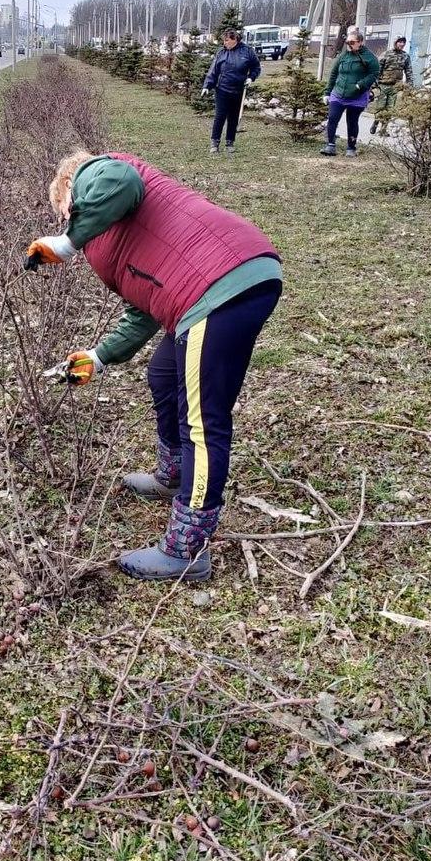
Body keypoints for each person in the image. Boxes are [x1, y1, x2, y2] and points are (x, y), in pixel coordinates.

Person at [25, 151, 282, 582]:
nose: (70, 221)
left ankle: (188, 548)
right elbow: (144, 310)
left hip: (219, 285)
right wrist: (98, 358)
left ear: (70, 193)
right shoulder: (116, 231)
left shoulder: (100, 173)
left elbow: (121, 179)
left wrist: (66, 241)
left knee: (203, 424)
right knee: (163, 373)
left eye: (65, 211)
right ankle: (173, 474)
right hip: (211, 289)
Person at [320, 27, 380, 157]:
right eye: (347, 42)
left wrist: (360, 85)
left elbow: (374, 73)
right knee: (332, 119)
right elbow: (334, 74)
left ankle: (351, 148)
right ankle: (330, 145)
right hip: (338, 93)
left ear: (360, 42)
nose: (349, 45)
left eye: (352, 42)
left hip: (357, 96)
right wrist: (327, 92)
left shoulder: (369, 57)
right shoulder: (344, 56)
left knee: (352, 122)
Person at [201, 29, 261, 155]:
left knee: (233, 118)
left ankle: (230, 142)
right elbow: (214, 70)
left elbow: (256, 67)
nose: (225, 43)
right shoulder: (221, 53)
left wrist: (251, 78)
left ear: (235, 40)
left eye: (227, 40)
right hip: (222, 89)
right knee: (220, 116)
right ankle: (215, 143)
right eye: (224, 40)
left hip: (239, 89)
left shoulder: (247, 51)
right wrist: (207, 86)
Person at [371, 36, 414, 135]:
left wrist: (409, 85)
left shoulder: (405, 56)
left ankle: (383, 129)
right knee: (380, 106)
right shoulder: (386, 54)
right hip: (383, 85)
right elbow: (377, 69)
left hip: (395, 86)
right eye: (400, 42)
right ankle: (376, 122)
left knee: (390, 108)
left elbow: (409, 71)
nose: (402, 44)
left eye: (403, 42)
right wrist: (374, 83)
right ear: (395, 42)